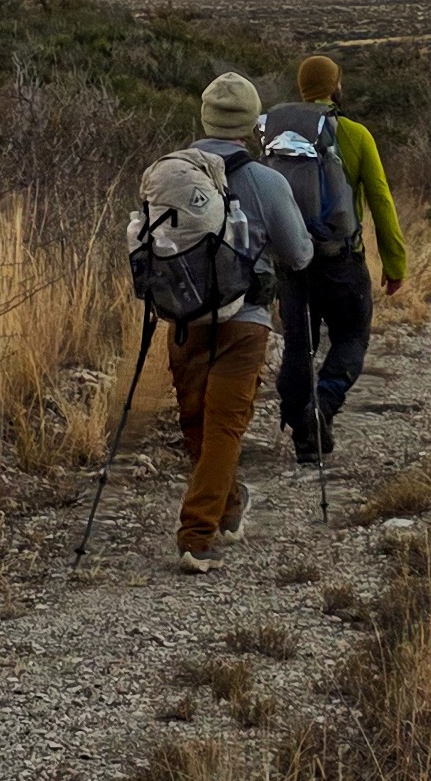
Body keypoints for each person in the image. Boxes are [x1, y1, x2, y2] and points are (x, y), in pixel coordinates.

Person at [164, 71, 314, 571]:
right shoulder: (267, 182)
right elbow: (298, 255)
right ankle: (198, 535)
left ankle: (220, 512)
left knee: (197, 423)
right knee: (224, 428)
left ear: (204, 116)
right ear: (252, 125)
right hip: (245, 321)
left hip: (183, 319)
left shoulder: (169, 176)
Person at [258, 53, 408, 461]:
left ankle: (302, 427)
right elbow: (380, 199)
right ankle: (321, 407)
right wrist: (395, 263)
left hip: (292, 261)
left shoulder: (277, 134)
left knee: (298, 345)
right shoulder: (356, 135)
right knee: (351, 338)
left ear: (302, 87)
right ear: (335, 85)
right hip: (341, 262)